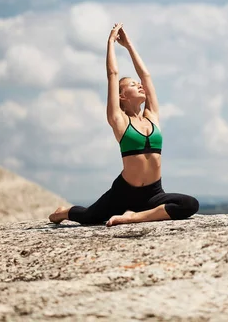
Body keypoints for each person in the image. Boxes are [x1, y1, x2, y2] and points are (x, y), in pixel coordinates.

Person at [49, 23, 199, 226]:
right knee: (89, 217)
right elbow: (112, 74)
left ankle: (133, 217)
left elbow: (146, 76)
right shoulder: (119, 120)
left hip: (154, 193)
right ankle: (64, 212)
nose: (138, 85)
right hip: (124, 193)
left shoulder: (152, 116)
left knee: (190, 204)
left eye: (138, 84)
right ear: (121, 95)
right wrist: (110, 42)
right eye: (131, 84)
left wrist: (128, 46)